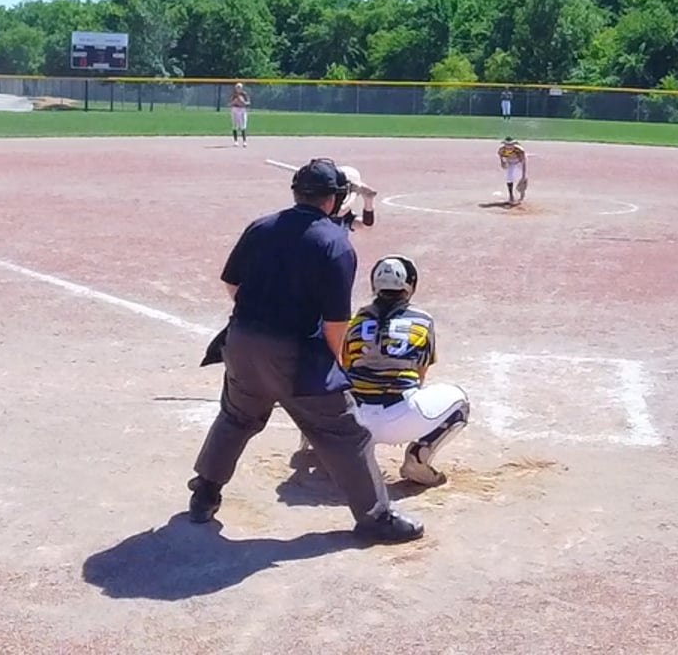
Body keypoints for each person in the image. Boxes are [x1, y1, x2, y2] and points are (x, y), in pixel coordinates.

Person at [187, 159, 423, 544]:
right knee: (347, 435)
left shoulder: (261, 226)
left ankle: (204, 493)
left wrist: (261, 315)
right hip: (294, 354)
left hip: (241, 340)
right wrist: (340, 367)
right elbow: (335, 325)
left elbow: (232, 284)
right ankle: (376, 518)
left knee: (237, 417)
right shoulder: (335, 243)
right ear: (334, 199)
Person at [342, 256, 469, 486]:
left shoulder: (357, 320)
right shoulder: (423, 320)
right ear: (410, 285)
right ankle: (418, 460)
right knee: (460, 403)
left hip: (356, 422)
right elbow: (420, 375)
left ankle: (341, 453)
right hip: (401, 416)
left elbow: (345, 369)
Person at [331, 164, 379, 231]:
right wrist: (354, 192)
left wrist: (368, 200)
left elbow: (366, 225)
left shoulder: (344, 211)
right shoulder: (324, 202)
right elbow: (339, 213)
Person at [498, 137, 528, 205]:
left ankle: (522, 193)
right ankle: (511, 196)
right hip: (510, 163)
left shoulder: (519, 150)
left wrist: (523, 175)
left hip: (519, 163)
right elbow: (501, 157)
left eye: (511, 144)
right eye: (507, 144)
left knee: (522, 180)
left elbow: (523, 162)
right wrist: (502, 163)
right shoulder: (502, 150)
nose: (509, 146)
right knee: (509, 179)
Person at [228, 83, 251, 147]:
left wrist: (243, 102)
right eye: (237, 87)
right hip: (235, 109)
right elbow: (230, 103)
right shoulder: (234, 94)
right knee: (234, 125)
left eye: (239, 87)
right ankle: (236, 141)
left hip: (242, 109)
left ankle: (244, 141)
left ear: (242, 88)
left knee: (243, 125)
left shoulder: (244, 94)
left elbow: (248, 103)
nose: (238, 89)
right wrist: (234, 102)